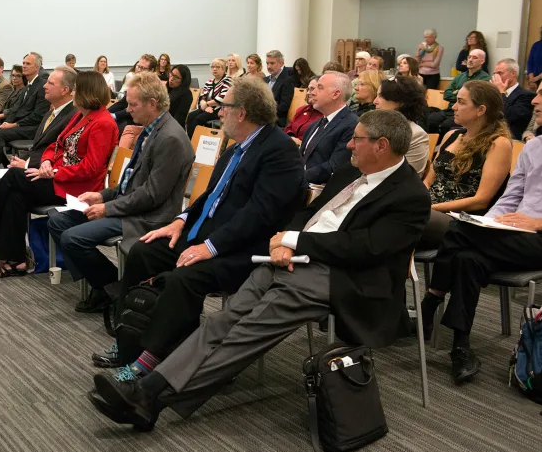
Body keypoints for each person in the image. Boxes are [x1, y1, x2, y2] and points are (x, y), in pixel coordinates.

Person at [89, 109, 430, 431]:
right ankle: (149, 390)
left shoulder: (410, 196)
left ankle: (152, 398)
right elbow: (305, 215)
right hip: (292, 259)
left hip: (344, 279)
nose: (349, 144)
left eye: (357, 139)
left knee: (246, 331)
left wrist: (295, 240)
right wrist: (285, 241)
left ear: (381, 145)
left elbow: (365, 248)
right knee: (224, 320)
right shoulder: (351, 172)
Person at [89, 77, 305, 374]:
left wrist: (210, 246)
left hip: (244, 248)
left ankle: (152, 359)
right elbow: (209, 197)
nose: (219, 112)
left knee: (184, 277)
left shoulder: (280, 151)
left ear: (241, 113)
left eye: (224, 107)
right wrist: (180, 220)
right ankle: (130, 340)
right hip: (206, 235)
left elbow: (259, 215)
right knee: (143, 251)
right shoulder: (236, 148)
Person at [420, 85, 542, 385]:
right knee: (467, 256)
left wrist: (537, 222)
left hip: (539, 236)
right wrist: (487, 224)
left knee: (459, 231)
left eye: (541, 94)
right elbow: (510, 198)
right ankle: (460, 347)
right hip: (509, 233)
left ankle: (432, 299)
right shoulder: (534, 147)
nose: (535, 100)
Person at [0, 71, 118, 278]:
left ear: (87, 92)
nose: (73, 94)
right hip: (58, 179)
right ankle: (15, 259)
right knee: (14, 196)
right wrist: (46, 162)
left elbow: (91, 168)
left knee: (13, 177)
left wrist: (53, 172)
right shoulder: (80, 116)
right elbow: (55, 144)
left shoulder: (103, 122)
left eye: (77, 90)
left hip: (77, 189)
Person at [48, 73, 194, 312]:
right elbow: (132, 181)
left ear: (152, 104)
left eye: (133, 104)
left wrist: (108, 208)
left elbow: (152, 195)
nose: (128, 109)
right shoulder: (149, 129)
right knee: (57, 220)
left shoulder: (170, 139)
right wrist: (103, 196)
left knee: (72, 238)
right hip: (128, 206)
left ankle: (111, 288)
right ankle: (108, 286)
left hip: (146, 216)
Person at [0, 67, 79, 268]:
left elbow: (59, 153)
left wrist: (26, 164)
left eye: (51, 83)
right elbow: (40, 147)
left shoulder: (71, 115)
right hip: (34, 165)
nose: (44, 85)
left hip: (46, 173)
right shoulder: (53, 111)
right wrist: (22, 161)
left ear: (65, 89)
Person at [419, 81, 512, 248]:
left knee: (402, 217)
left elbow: (481, 200)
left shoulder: (498, 144)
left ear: (481, 110)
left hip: (463, 219)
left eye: (461, 102)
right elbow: (428, 180)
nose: (454, 107)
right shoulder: (452, 135)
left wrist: (432, 208)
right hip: (430, 211)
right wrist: (420, 200)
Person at [0, 52, 51, 174]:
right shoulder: (28, 86)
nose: (24, 66)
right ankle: (5, 167)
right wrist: (7, 122)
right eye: (23, 63)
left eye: (28, 64)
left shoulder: (41, 86)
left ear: (37, 67)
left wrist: (14, 125)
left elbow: (38, 116)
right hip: (20, 124)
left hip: (32, 128)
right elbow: (15, 109)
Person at [299, 72, 358, 185]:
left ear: (335, 94)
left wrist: (297, 176)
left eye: (320, 88)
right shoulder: (314, 125)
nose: (312, 93)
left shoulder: (351, 125)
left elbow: (334, 166)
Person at [373, 76, 430, 175]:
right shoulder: (373, 126)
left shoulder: (416, 135)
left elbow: (407, 178)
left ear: (400, 102)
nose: (375, 101)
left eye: (381, 96)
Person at [426, 49, 491, 134]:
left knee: (447, 126)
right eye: (469, 57)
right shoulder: (460, 76)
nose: (470, 60)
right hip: (450, 109)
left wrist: (457, 92)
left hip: (465, 112)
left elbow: (473, 99)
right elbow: (446, 94)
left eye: (474, 58)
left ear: (482, 61)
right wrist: (462, 97)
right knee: (430, 120)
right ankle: (433, 145)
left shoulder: (485, 79)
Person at [185, 58, 231, 137]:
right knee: (190, 116)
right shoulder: (209, 82)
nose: (214, 69)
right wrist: (205, 106)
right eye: (212, 67)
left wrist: (206, 104)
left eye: (218, 67)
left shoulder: (228, 80)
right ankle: (190, 141)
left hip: (219, 109)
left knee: (198, 119)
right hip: (207, 108)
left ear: (223, 69)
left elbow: (221, 98)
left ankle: (196, 141)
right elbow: (202, 96)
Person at [491, 58, 535, 139]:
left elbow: (510, 117)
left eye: (500, 73)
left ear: (513, 73)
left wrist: (501, 92)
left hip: (510, 139)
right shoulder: (494, 93)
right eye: (495, 74)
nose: (496, 77)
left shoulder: (527, 96)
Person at [110, 54, 157, 129]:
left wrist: (114, 115)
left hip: (140, 124)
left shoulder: (152, 87)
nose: (138, 70)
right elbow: (122, 102)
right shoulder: (137, 82)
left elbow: (134, 108)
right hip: (128, 119)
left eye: (142, 68)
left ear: (151, 70)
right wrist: (106, 112)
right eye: (138, 66)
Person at [283, 77, 323, 142]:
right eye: (308, 89)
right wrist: (291, 137)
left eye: (312, 89)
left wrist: (300, 143)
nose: (307, 93)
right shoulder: (302, 110)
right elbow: (289, 128)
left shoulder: (324, 115)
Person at [264, 50, 296, 126]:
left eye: (272, 63)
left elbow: (283, 107)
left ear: (281, 63)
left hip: (276, 121)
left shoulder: (287, 81)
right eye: (267, 63)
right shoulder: (264, 80)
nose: (269, 66)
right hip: (263, 118)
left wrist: (264, 110)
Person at [528, 25, 542, 91]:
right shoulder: (537, 45)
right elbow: (530, 62)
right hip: (535, 83)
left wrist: (537, 78)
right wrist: (532, 79)